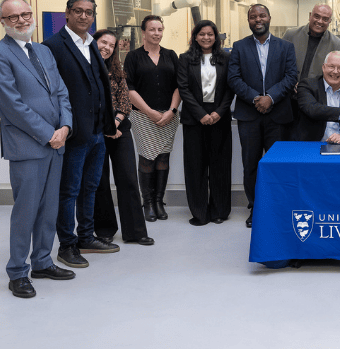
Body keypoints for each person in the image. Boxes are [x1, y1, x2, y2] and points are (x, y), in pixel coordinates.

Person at [0, 0, 75, 298]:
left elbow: (61, 92)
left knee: (49, 208)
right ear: (3, 22)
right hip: (28, 146)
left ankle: (42, 262)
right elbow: (12, 105)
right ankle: (17, 272)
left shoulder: (44, 51)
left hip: (56, 143)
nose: (22, 20)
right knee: (26, 211)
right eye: (13, 17)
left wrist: (65, 127)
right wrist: (48, 133)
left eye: (26, 14)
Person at [44, 0, 118, 268]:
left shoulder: (92, 44)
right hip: (74, 133)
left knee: (91, 187)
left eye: (89, 12)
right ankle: (67, 245)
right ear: (67, 13)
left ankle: (86, 236)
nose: (84, 16)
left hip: (98, 132)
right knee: (70, 190)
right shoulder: (53, 46)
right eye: (78, 11)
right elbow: (51, 92)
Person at [228, 4, 298, 227]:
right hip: (249, 115)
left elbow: (291, 76)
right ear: (248, 20)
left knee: (276, 163)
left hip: (278, 115)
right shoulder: (238, 47)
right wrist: (256, 98)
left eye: (262, 15)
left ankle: (277, 206)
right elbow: (234, 78)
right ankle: (256, 207)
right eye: (253, 16)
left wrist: (271, 98)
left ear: (269, 17)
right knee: (251, 164)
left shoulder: (286, 46)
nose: (258, 19)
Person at [91, 29, 154, 246]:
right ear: (93, 42)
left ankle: (136, 232)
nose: (107, 48)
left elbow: (125, 102)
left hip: (120, 130)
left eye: (111, 45)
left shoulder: (117, 70)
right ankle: (104, 230)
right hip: (95, 132)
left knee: (128, 179)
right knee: (99, 182)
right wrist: (106, 127)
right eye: (103, 42)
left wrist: (115, 123)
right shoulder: (86, 69)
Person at [123, 15, 181, 223]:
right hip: (142, 116)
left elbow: (179, 86)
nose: (156, 33)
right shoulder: (133, 57)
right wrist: (150, 112)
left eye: (160, 29)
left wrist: (172, 111)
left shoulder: (171, 55)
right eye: (152, 29)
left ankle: (158, 201)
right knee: (147, 158)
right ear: (143, 32)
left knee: (163, 158)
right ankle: (147, 202)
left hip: (169, 116)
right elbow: (129, 88)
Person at [177, 20, 234, 226]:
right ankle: (199, 212)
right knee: (195, 166)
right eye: (202, 34)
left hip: (220, 116)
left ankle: (219, 210)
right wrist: (201, 114)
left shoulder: (226, 58)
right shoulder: (185, 59)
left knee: (220, 165)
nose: (206, 38)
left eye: (210, 34)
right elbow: (183, 88)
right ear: (195, 36)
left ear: (216, 37)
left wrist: (219, 112)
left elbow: (230, 88)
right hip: (194, 118)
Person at [282, 3, 340, 139]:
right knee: (287, 146)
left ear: (329, 21)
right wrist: (292, 84)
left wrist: (307, 88)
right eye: (317, 16)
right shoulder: (291, 35)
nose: (320, 21)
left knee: (310, 146)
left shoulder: (336, 43)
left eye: (325, 18)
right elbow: (279, 65)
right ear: (310, 16)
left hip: (315, 104)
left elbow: (336, 75)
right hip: (288, 101)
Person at [297, 51, 340, 143]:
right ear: (323, 67)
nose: (335, 71)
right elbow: (313, 109)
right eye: (331, 66)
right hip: (311, 145)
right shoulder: (307, 85)